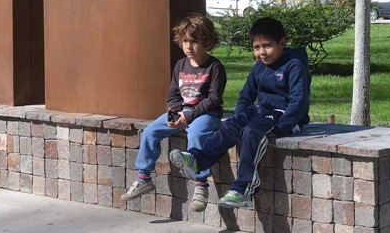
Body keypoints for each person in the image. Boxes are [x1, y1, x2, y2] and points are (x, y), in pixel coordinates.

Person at [169, 16, 310, 209]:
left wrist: (283, 126)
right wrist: (241, 115)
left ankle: (243, 190)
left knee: (251, 132)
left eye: (267, 46)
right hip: (260, 112)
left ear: (282, 43)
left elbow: (299, 101)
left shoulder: (294, 65)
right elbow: (245, 96)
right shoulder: (260, 66)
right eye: (256, 47)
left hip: (282, 115)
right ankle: (196, 159)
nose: (261, 52)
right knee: (231, 126)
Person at [121, 13, 227, 212]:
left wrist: (189, 116)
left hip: (206, 114)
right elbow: (173, 94)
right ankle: (144, 178)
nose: (188, 46)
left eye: (194, 41)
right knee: (151, 131)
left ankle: (201, 185)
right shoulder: (180, 65)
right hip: (182, 112)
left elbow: (213, 100)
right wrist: (173, 115)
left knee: (196, 134)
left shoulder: (215, 67)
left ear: (207, 42)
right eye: (185, 41)